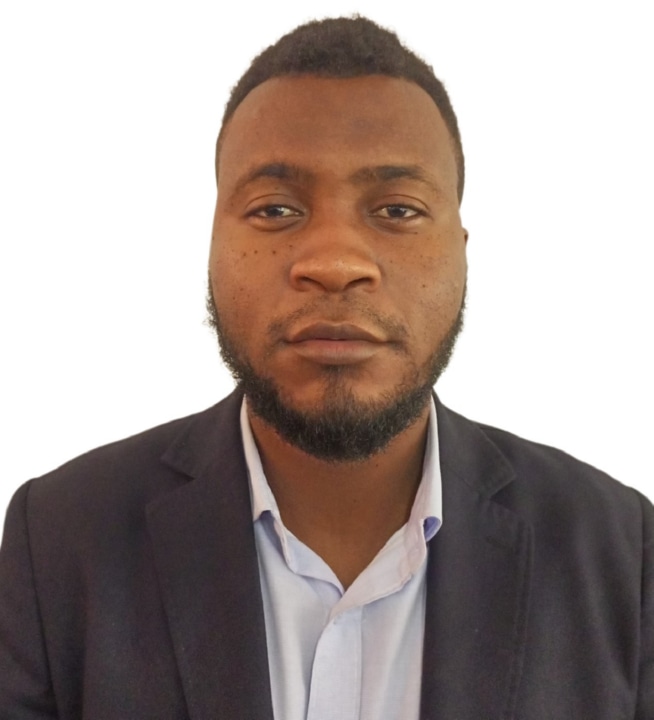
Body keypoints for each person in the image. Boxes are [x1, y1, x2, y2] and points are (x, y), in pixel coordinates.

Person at [0, 15, 652, 720]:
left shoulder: (621, 551)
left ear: (461, 250)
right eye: (276, 209)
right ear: (212, 243)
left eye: (397, 209)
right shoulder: (59, 539)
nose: (336, 263)